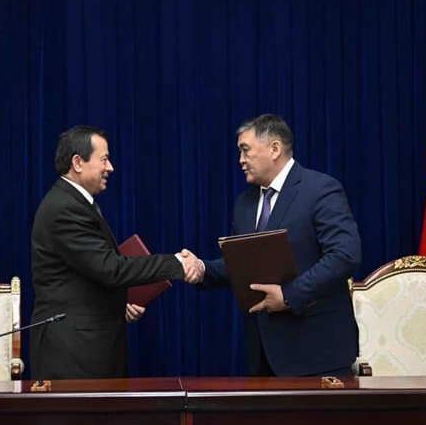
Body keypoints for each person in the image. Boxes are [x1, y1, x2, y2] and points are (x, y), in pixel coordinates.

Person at [189, 114, 362, 377]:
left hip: (319, 353)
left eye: (245, 150)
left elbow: (344, 255)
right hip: (263, 354)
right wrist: (201, 268)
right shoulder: (245, 203)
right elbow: (242, 265)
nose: (241, 160)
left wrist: (288, 296)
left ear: (274, 149)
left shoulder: (320, 189)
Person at [30, 125, 199, 379]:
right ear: (77, 163)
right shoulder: (66, 208)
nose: (110, 168)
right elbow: (111, 269)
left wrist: (119, 302)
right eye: (104, 159)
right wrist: (175, 263)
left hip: (85, 347)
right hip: (74, 354)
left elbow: (86, 274)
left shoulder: (72, 202)